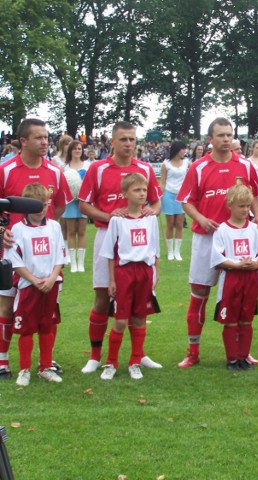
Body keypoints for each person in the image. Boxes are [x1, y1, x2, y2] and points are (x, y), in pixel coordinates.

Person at [175, 118, 258, 368]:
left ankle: (242, 352)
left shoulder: (244, 165)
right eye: (220, 135)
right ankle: (193, 351)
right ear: (210, 139)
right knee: (199, 294)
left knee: (242, 296)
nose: (226, 139)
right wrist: (202, 219)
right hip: (207, 237)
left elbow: (254, 196)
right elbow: (186, 201)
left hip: (239, 238)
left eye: (229, 135)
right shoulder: (199, 167)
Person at [78, 121, 163, 374]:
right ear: (112, 142)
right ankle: (95, 356)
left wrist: (151, 211)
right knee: (103, 297)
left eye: (133, 140)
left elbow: (157, 204)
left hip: (138, 241)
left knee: (140, 300)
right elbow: (84, 205)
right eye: (124, 139)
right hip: (107, 236)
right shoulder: (98, 168)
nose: (129, 144)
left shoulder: (146, 169)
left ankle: (139, 355)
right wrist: (112, 217)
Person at [0, 119, 72, 380]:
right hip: (11, 255)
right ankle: (3, 360)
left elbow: (60, 207)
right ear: (24, 141)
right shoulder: (5, 170)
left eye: (46, 137)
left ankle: (45, 362)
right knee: (8, 308)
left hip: (44, 258)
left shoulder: (54, 171)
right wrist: (2, 232)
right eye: (39, 138)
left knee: (46, 311)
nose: (45, 142)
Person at [99, 173, 161, 380]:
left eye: (144, 190)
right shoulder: (117, 219)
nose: (142, 194)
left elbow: (155, 249)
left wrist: (156, 273)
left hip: (145, 271)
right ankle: (111, 363)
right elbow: (109, 252)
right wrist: (112, 280)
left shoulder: (151, 218)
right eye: (137, 190)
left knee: (140, 318)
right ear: (125, 194)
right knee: (120, 321)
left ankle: (135, 362)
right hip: (124, 272)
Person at [8, 184, 68, 386]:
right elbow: (15, 261)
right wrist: (33, 280)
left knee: (47, 327)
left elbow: (60, 255)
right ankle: (24, 369)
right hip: (28, 286)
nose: (41, 209)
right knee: (26, 329)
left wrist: (52, 278)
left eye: (44, 205)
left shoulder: (54, 227)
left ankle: (45, 367)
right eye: (36, 206)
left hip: (51, 285)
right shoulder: (17, 229)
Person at [211, 185, 258, 371]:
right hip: (231, 280)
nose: (245, 210)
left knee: (246, 320)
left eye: (248, 206)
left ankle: (243, 357)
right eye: (241, 206)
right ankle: (232, 359)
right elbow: (217, 258)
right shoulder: (222, 230)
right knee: (231, 321)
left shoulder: (253, 229)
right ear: (230, 205)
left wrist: (257, 262)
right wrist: (237, 265)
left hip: (251, 280)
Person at [62, 140, 90, 272]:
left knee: (82, 232)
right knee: (71, 232)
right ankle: (73, 262)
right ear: (70, 151)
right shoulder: (65, 167)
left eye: (79, 148)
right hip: (70, 203)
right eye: (75, 149)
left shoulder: (88, 165)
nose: (77, 151)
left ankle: (81, 263)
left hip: (83, 203)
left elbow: (92, 184)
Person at [159, 141, 189, 261]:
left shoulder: (186, 163)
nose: (184, 151)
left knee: (179, 224)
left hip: (181, 196)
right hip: (168, 195)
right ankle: (170, 252)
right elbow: (163, 181)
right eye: (183, 149)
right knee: (170, 224)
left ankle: (177, 252)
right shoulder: (165, 164)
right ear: (177, 150)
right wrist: (159, 195)